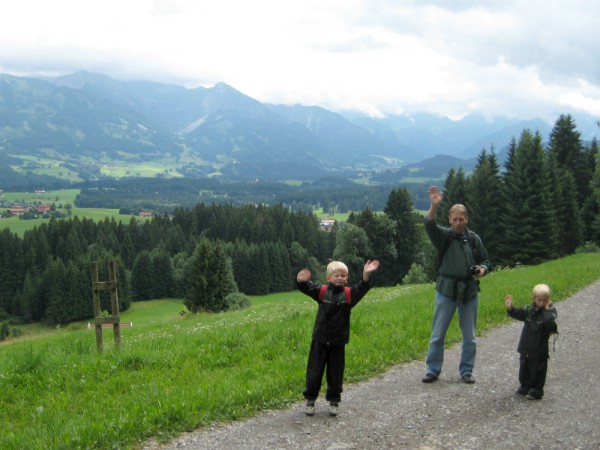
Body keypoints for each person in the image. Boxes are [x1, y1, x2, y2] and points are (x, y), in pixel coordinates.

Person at [422, 186, 490, 384]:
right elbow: (429, 224)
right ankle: (432, 369)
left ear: (466, 219)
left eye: (461, 219)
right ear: (450, 219)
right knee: (438, 334)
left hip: (469, 290)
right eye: (455, 219)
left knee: (469, 335)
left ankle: (467, 370)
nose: (458, 222)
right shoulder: (443, 236)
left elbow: (486, 261)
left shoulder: (474, 239)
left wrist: (482, 271)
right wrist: (434, 205)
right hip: (446, 290)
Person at [296, 259, 380, 417]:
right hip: (320, 340)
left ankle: (334, 401)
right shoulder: (321, 291)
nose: (341, 278)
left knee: (336, 373)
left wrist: (366, 275)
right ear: (328, 278)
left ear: (347, 279)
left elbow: (362, 288)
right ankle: (310, 401)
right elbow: (307, 287)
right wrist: (301, 280)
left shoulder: (349, 295)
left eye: (344, 276)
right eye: (337, 275)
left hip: (338, 342)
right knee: (314, 371)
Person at [505, 284, 558, 400]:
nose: (542, 303)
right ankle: (525, 385)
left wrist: (547, 310)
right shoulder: (529, 310)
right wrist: (511, 308)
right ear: (534, 299)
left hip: (540, 347)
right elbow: (518, 313)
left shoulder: (550, 312)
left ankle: (536, 390)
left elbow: (551, 325)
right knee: (524, 367)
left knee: (538, 370)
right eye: (539, 300)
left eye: (545, 300)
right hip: (526, 345)